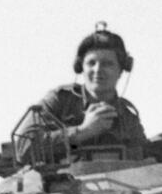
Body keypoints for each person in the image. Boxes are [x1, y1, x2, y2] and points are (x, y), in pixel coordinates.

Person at [11, 22, 152, 168]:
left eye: (107, 64)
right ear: (80, 68)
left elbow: (142, 164)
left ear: (121, 70)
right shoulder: (59, 101)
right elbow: (23, 148)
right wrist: (82, 132)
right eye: (91, 63)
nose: (98, 70)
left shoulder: (128, 118)